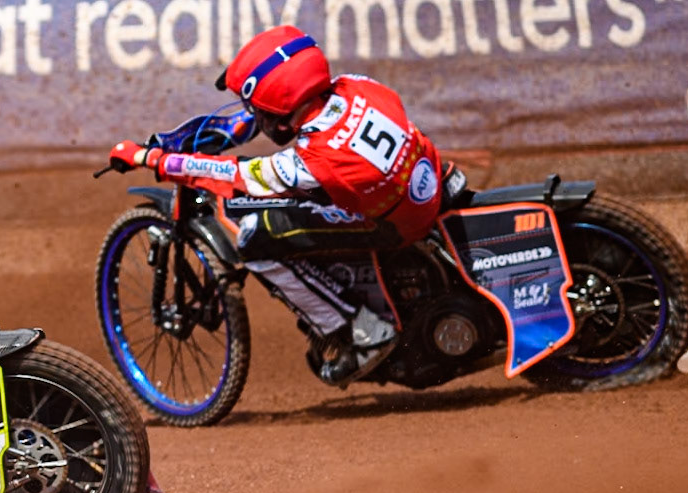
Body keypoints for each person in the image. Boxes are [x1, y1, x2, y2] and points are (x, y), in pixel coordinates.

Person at [109, 24, 458, 385]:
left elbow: (232, 174)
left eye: (258, 108)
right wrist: (176, 139)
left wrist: (153, 159)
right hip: (426, 181)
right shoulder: (356, 86)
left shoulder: (314, 160)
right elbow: (261, 120)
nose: (255, 115)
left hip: (396, 223)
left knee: (253, 237)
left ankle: (366, 332)